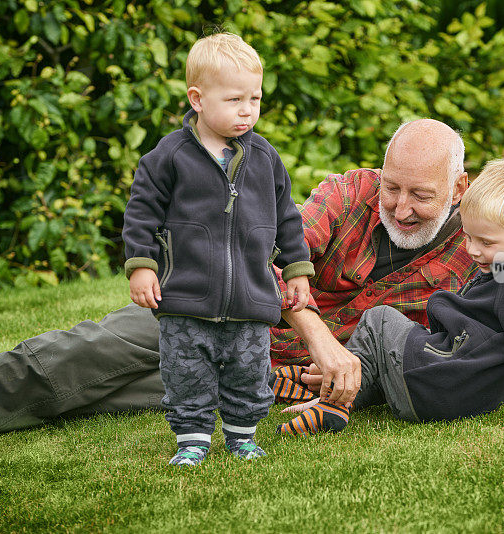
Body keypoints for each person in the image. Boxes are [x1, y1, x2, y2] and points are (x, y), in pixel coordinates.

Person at [0, 119, 476, 443]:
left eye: (419, 195)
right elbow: (262, 257)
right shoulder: (348, 194)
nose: (398, 207)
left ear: (457, 190)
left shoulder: (471, 256)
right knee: (74, 354)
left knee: (99, 397)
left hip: (252, 375)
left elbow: (472, 342)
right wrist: (320, 338)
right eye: (391, 187)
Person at [122, 33, 314, 466]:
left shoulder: (265, 158)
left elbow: (287, 216)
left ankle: (242, 435)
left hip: (251, 294)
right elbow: (141, 213)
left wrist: (297, 268)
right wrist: (142, 266)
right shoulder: (169, 156)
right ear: (198, 98)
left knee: (250, 369)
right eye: (234, 100)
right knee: (186, 370)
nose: (247, 110)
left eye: (255, 98)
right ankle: (192, 438)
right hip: (187, 296)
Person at [276, 158, 504, 436]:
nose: (473, 251)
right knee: (391, 346)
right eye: (468, 237)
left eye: (486, 242)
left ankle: (335, 401)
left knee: (379, 320)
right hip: (459, 392)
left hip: (443, 387)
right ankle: (319, 389)